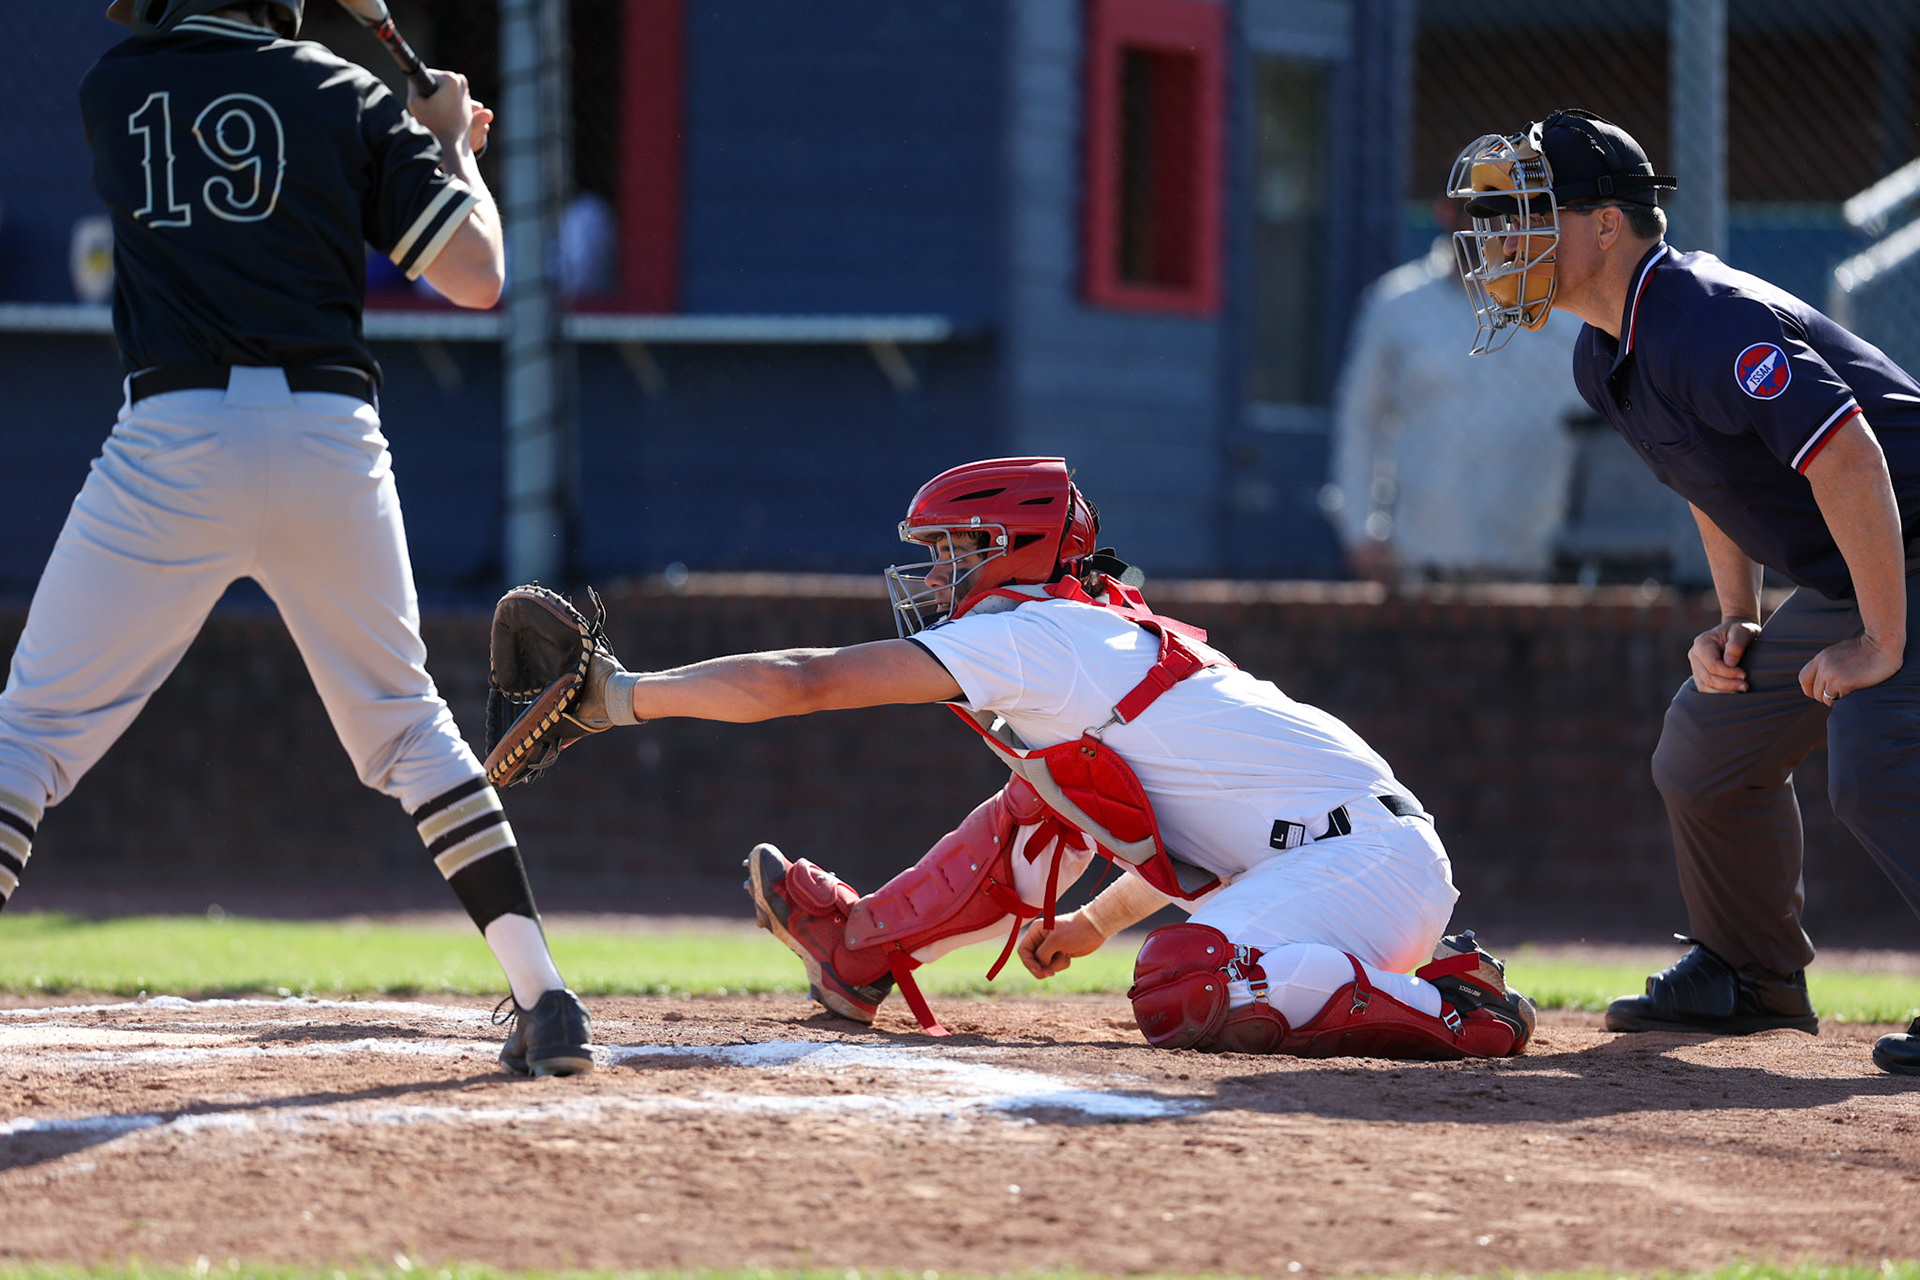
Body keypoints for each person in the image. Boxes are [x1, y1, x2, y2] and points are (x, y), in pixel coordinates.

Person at [0, 0, 593, 1076]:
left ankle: (546, 996)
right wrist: (451, 143)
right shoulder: (346, 93)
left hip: (172, 435)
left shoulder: (113, 90)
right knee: (411, 727)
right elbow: (476, 273)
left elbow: (213, 94)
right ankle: (547, 997)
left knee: (28, 733)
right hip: (329, 438)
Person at [565, 456, 1537, 1059]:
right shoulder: (1081, 632)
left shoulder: (1029, 631)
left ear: (1011, 548)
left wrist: (620, 696)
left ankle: (1450, 1002)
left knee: (1181, 979)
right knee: (1050, 792)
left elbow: (805, 680)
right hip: (1340, 858)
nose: (936, 572)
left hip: (1367, 862)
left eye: (953, 551)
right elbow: (1194, 820)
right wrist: (1087, 920)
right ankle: (861, 948)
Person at [1449, 108, 1920, 1076]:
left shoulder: (1700, 315)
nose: (1503, 238)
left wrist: (1878, 639)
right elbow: (1710, 482)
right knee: (1706, 748)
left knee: (1876, 770)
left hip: (1907, 548)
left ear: (1607, 226)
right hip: (1868, 562)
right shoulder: (1604, 353)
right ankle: (1750, 975)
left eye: (1531, 212)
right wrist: (1738, 615)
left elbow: (1850, 458)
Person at [1328, 198, 1588, 583]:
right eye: (1480, 210)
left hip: (1543, 562)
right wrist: (1361, 532)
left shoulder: (1570, 307)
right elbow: (1361, 418)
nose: (1495, 227)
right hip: (1425, 561)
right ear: (1445, 212)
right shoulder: (1396, 304)